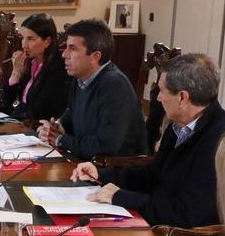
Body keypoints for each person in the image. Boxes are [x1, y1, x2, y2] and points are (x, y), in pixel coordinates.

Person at [71, 53, 225, 236]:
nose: (157, 98)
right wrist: (102, 174)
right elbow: (153, 175)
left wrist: (121, 197)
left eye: (162, 91)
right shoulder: (181, 125)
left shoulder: (221, 141)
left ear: (182, 97)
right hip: (157, 230)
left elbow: (187, 215)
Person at [37, 19, 146, 160]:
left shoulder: (114, 85)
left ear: (95, 56)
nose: (64, 54)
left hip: (114, 172)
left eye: (73, 48)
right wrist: (58, 125)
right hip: (84, 164)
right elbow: (73, 112)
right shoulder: (80, 77)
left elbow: (105, 146)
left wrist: (61, 140)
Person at [0, 13, 70, 123]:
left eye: (30, 39)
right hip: (17, 123)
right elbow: (6, 104)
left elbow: (38, 111)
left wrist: (14, 118)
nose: (24, 45)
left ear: (47, 41)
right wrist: (16, 72)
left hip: (35, 129)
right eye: (23, 38)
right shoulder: (29, 63)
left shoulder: (57, 70)